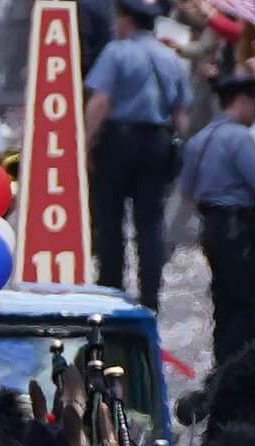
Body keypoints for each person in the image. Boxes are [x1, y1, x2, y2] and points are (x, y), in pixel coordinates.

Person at [84, 0, 188, 310]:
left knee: (110, 216)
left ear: (126, 19)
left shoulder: (116, 52)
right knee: (151, 221)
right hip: (157, 141)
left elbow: (100, 102)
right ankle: (150, 295)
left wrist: (88, 143)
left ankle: (112, 287)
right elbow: (181, 113)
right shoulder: (170, 57)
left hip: (119, 140)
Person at [180, 71, 255, 364]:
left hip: (213, 226)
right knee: (248, 305)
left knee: (223, 301)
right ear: (242, 101)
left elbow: (187, 192)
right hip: (240, 228)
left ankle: (223, 365)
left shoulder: (200, 139)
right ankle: (243, 366)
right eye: (254, 104)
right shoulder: (239, 138)